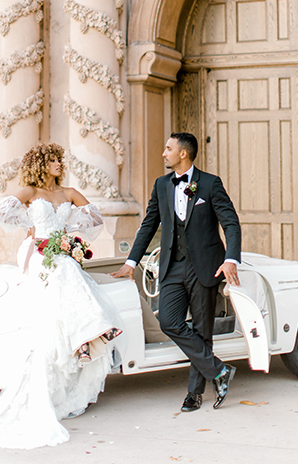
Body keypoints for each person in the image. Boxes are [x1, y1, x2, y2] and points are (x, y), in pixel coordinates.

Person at [0, 142, 121, 449]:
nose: (58, 164)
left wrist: (68, 235)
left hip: (59, 249)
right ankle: (91, 334)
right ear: (41, 164)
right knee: (66, 271)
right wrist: (32, 227)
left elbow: (95, 217)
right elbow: (0, 211)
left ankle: (84, 339)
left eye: (59, 159)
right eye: (53, 160)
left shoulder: (68, 192)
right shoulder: (30, 192)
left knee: (67, 269)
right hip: (37, 251)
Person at [112, 132, 241, 412]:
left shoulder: (210, 183)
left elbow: (230, 223)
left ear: (183, 153)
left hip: (206, 266)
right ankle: (219, 370)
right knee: (169, 321)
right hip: (172, 266)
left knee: (202, 330)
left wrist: (231, 259)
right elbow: (148, 225)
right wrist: (131, 262)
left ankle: (194, 393)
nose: (163, 153)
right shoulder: (161, 185)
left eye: (168, 148)